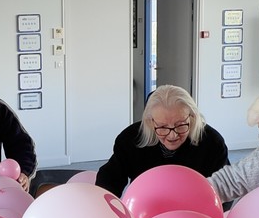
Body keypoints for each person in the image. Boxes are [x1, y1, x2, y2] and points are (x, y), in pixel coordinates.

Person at [95, 84, 230, 195]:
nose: (173, 135)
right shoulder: (130, 139)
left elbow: (225, 187)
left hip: (195, 210)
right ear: (150, 121)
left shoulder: (212, 142)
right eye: (162, 127)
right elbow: (110, 178)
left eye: (181, 125)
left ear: (192, 117)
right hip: (146, 207)